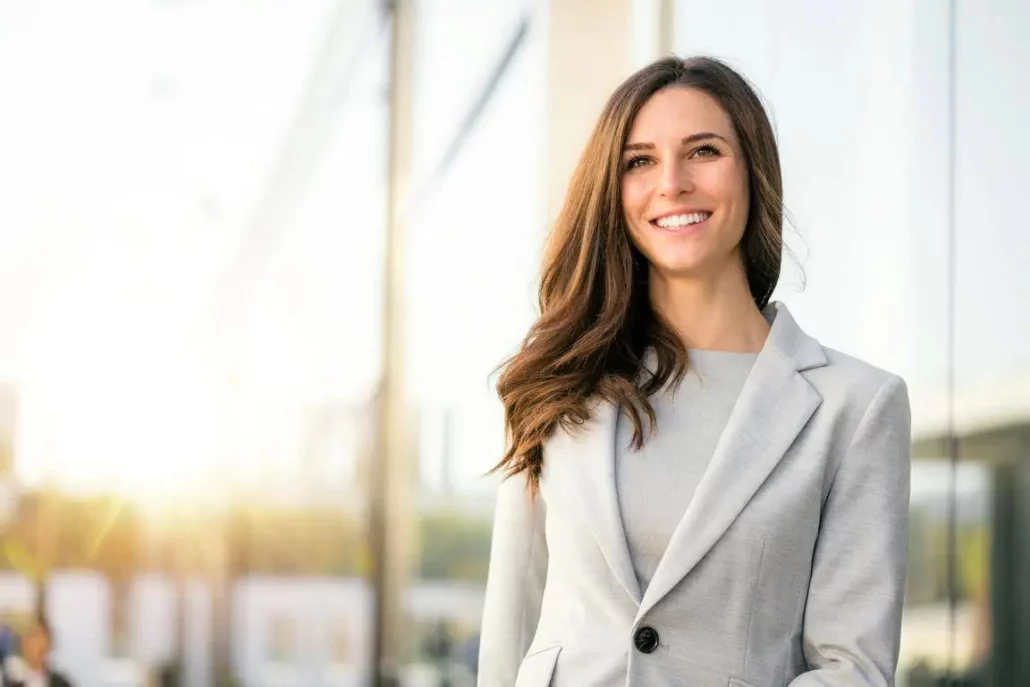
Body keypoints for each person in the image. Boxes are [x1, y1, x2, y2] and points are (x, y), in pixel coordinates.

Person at [477, 56, 911, 687]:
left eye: (703, 151)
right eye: (639, 160)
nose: (672, 182)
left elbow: (853, 668)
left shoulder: (857, 407)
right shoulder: (557, 381)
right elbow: (512, 630)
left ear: (754, 171)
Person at [4, 617, 73, 687]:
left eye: (42, 637)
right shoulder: (8, 680)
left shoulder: (61, 683)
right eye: (32, 637)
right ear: (23, 642)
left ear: (49, 644)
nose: (38, 645)